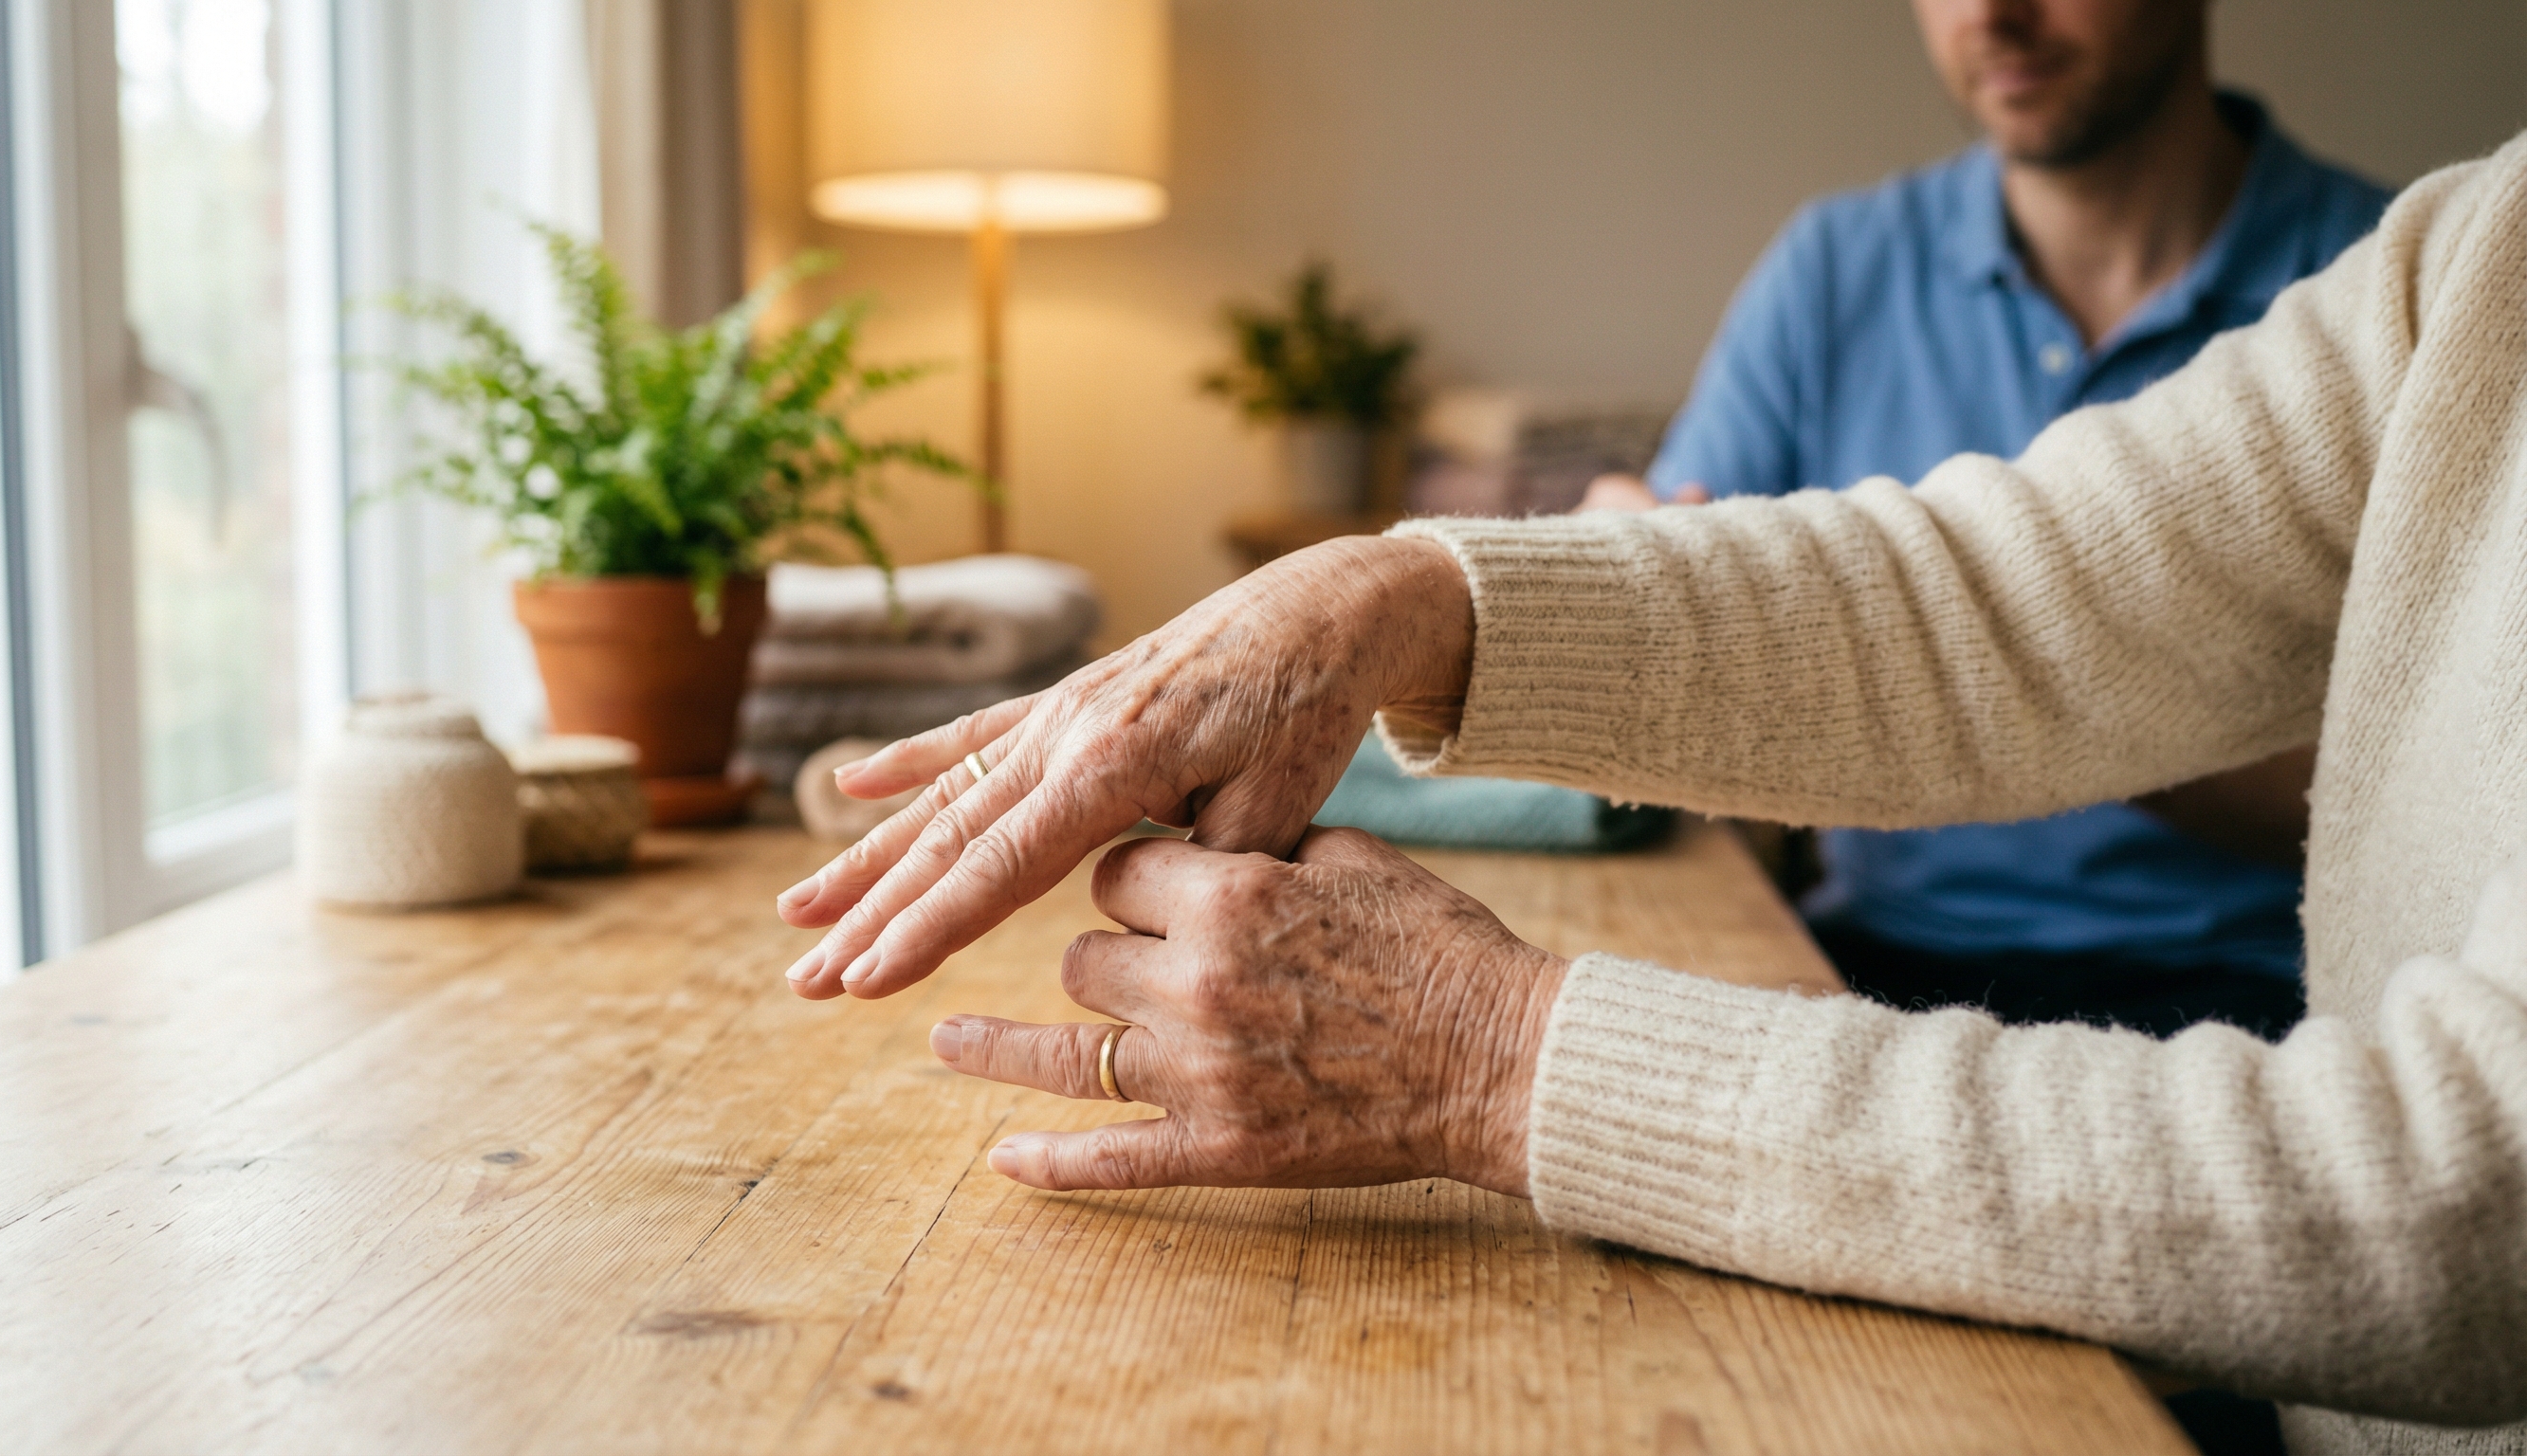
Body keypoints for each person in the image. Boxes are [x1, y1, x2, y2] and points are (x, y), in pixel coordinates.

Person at [776, 130, 2527, 1456]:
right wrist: (1407, 593)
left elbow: (2463, 1207)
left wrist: (1498, 1058)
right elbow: (1999, 595)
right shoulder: (2474, 250)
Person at [1580, 0, 2390, 1045]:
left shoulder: (2394, 294)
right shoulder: (1835, 271)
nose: (1994, 16)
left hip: (2243, 1003)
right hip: (1871, 971)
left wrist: (2019, 672)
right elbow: (1679, 586)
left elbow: (2447, 798)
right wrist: (1626, 581)